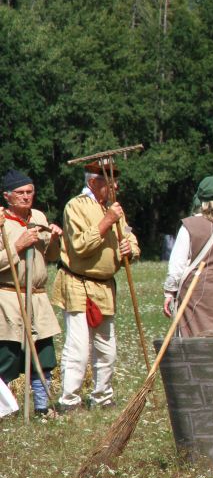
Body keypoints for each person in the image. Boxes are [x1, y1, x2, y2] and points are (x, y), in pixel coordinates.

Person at [52, 160, 141, 411]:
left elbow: (130, 237)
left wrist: (130, 249)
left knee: (107, 349)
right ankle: (69, 400)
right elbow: (80, 246)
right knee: (79, 348)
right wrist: (106, 221)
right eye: (110, 182)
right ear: (93, 182)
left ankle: (102, 396)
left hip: (105, 287)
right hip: (78, 282)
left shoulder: (113, 209)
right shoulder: (76, 206)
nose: (116, 187)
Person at [0, 170, 63, 417]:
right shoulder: (1, 222)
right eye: (20, 193)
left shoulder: (38, 217)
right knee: (7, 357)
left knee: (43, 354)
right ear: (7, 196)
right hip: (9, 296)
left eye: (30, 192)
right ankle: (4, 409)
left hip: (37, 297)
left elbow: (52, 256)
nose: (26, 197)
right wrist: (18, 246)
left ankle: (41, 407)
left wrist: (54, 239)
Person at [162, 176, 213, 336]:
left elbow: (177, 266)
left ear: (201, 199)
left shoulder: (189, 226)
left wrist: (169, 293)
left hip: (194, 297)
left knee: (193, 342)